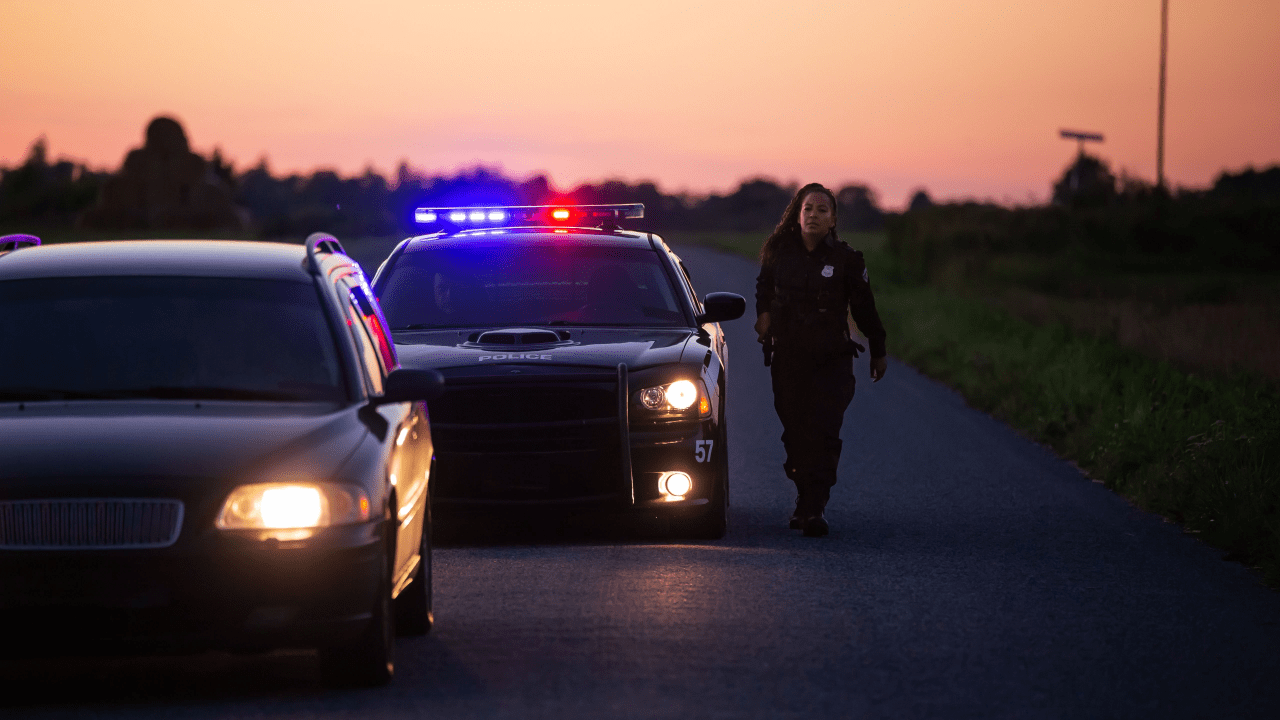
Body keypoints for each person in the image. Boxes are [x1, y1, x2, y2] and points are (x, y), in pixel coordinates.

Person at [754, 183, 887, 537]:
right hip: (788, 360)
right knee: (796, 434)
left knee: (824, 432)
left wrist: (878, 349)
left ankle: (814, 508)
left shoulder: (847, 260)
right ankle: (805, 495)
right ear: (797, 216)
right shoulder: (778, 253)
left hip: (832, 362)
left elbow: (864, 308)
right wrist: (763, 316)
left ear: (833, 220)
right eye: (808, 209)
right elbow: (763, 288)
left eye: (822, 210)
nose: (813, 215)